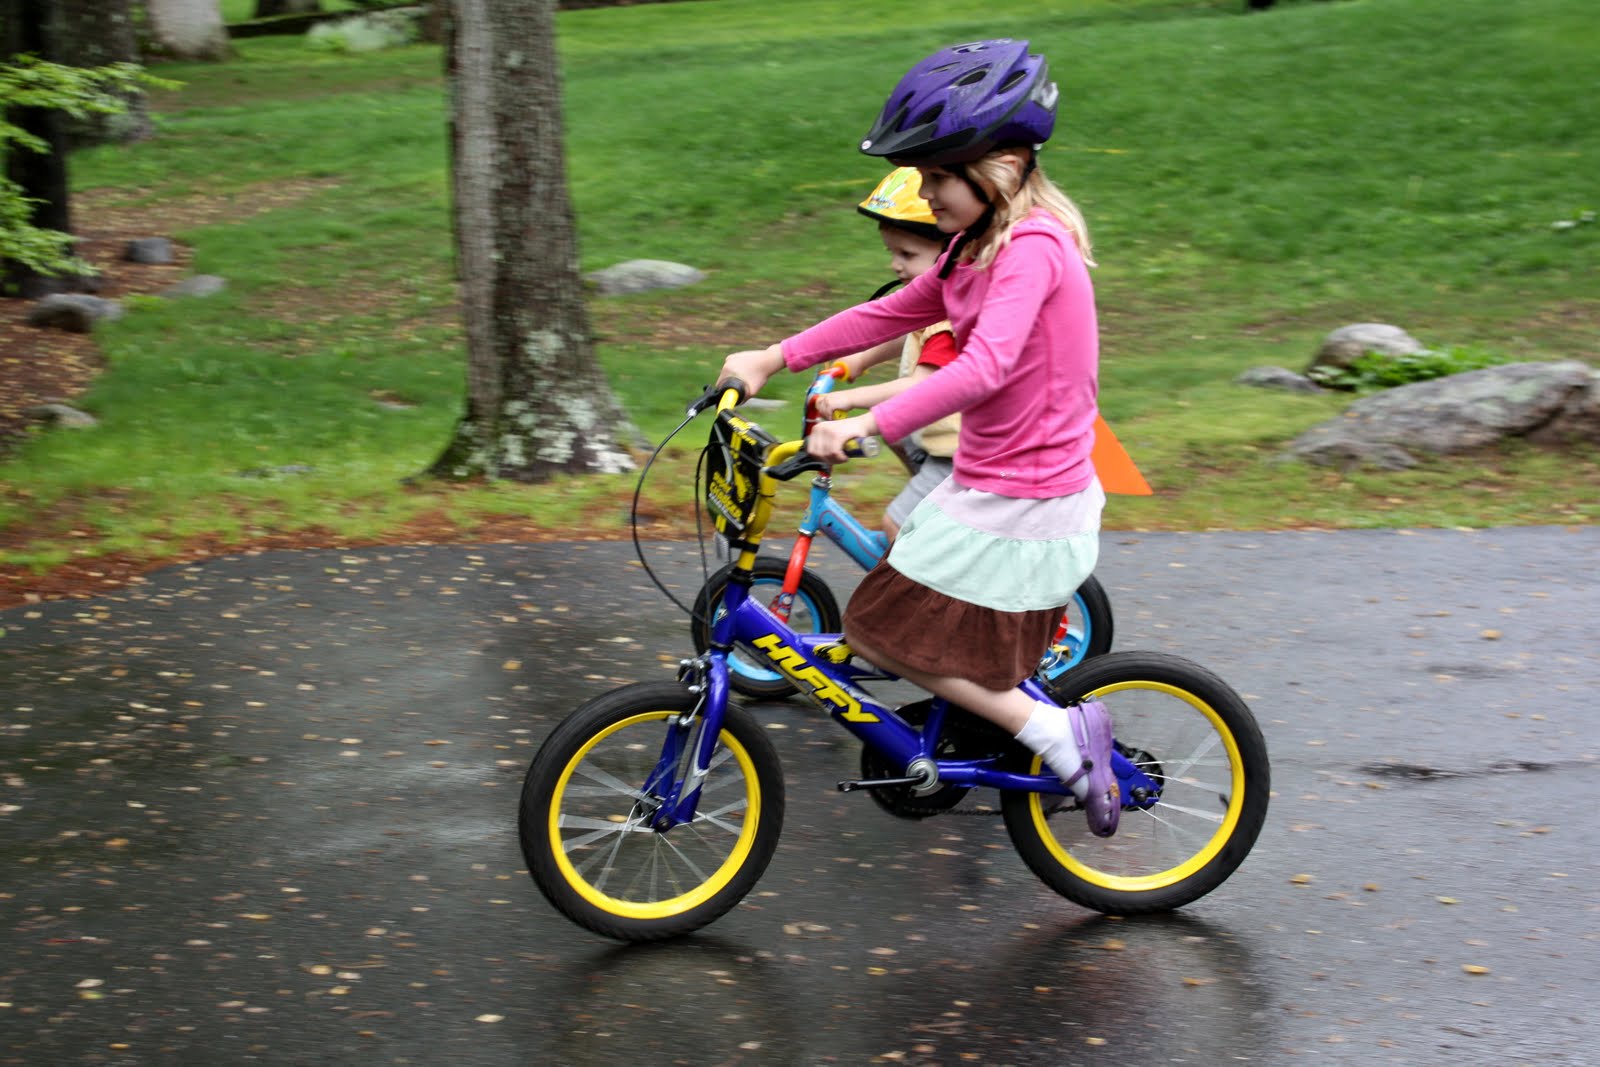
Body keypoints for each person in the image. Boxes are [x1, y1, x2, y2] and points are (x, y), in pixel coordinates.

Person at [719, 38, 1120, 836]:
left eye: (936, 176)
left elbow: (985, 367)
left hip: (1027, 497)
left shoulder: (1032, 250)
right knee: (905, 627)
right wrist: (773, 355)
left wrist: (867, 426)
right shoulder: (975, 248)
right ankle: (991, 720)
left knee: (882, 633)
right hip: (989, 485)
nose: (923, 192)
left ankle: (1059, 735)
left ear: (999, 167)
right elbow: (884, 314)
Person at [816, 166, 961, 542]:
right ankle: (934, 517)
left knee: (898, 526)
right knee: (896, 429)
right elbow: (905, 333)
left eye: (907, 254)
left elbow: (920, 386)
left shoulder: (950, 317)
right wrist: (860, 360)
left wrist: (846, 397)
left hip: (959, 454)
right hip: (936, 436)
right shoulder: (933, 303)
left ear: (950, 254)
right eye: (891, 252)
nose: (895, 264)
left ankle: (931, 591)